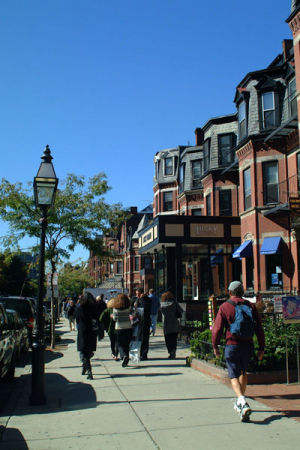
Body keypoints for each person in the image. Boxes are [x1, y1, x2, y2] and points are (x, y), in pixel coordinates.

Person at [212, 281, 265, 422]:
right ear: (242, 292)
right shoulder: (250, 306)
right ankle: (241, 406)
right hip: (247, 345)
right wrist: (261, 347)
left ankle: (242, 400)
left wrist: (215, 346)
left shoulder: (225, 306)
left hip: (232, 345)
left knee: (233, 374)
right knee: (243, 372)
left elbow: (217, 329)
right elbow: (259, 328)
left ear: (230, 292)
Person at [75, 291, 98, 380]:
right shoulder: (94, 307)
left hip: (83, 331)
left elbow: (77, 319)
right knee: (87, 351)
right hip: (92, 331)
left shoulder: (80, 308)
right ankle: (85, 367)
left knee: (84, 352)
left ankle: (89, 371)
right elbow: (96, 318)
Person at [108, 293, 132, 367]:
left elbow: (115, 319)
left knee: (120, 344)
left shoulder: (115, 309)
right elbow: (133, 314)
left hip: (119, 327)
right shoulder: (129, 308)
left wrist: (112, 316)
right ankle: (127, 355)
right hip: (128, 327)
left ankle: (123, 355)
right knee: (127, 344)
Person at [160, 290, 182, 359]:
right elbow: (180, 311)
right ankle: (173, 350)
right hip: (174, 322)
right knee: (174, 339)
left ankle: (170, 351)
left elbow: (161, 312)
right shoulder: (174, 303)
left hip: (166, 323)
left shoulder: (162, 304)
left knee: (167, 339)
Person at [135, 288, 152, 360]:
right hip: (142, 321)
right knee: (141, 338)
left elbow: (143, 310)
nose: (137, 295)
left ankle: (143, 354)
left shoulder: (144, 300)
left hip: (144, 321)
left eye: (138, 294)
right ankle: (142, 353)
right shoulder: (141, 299)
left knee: (143, 338)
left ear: (141, 293)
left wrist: (136, 307)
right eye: (136, 294)